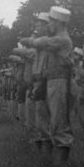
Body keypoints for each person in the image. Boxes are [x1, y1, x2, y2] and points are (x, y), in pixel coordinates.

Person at [24, 6, 74, 167]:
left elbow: (42, 42)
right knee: (49, 120)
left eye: (51, 21)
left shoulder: (62, 39)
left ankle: (62, 164)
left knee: (59, 120)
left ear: (59, 22)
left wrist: (30, 40)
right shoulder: (58, 37)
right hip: (52, 80)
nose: (49, 24)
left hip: (60, 81)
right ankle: (54, 161)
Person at [20, 12, 52, 152]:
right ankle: (41, 147)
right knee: (35, 119)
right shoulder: (38, 43)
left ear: (47, 26)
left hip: (44, 82)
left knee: (42, 119)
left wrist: (33, 36)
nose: (37, 26)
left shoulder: (46, 42)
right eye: (37, 24)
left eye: (40, 24)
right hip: (35, 83)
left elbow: (27, 52)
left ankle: (48, 148)